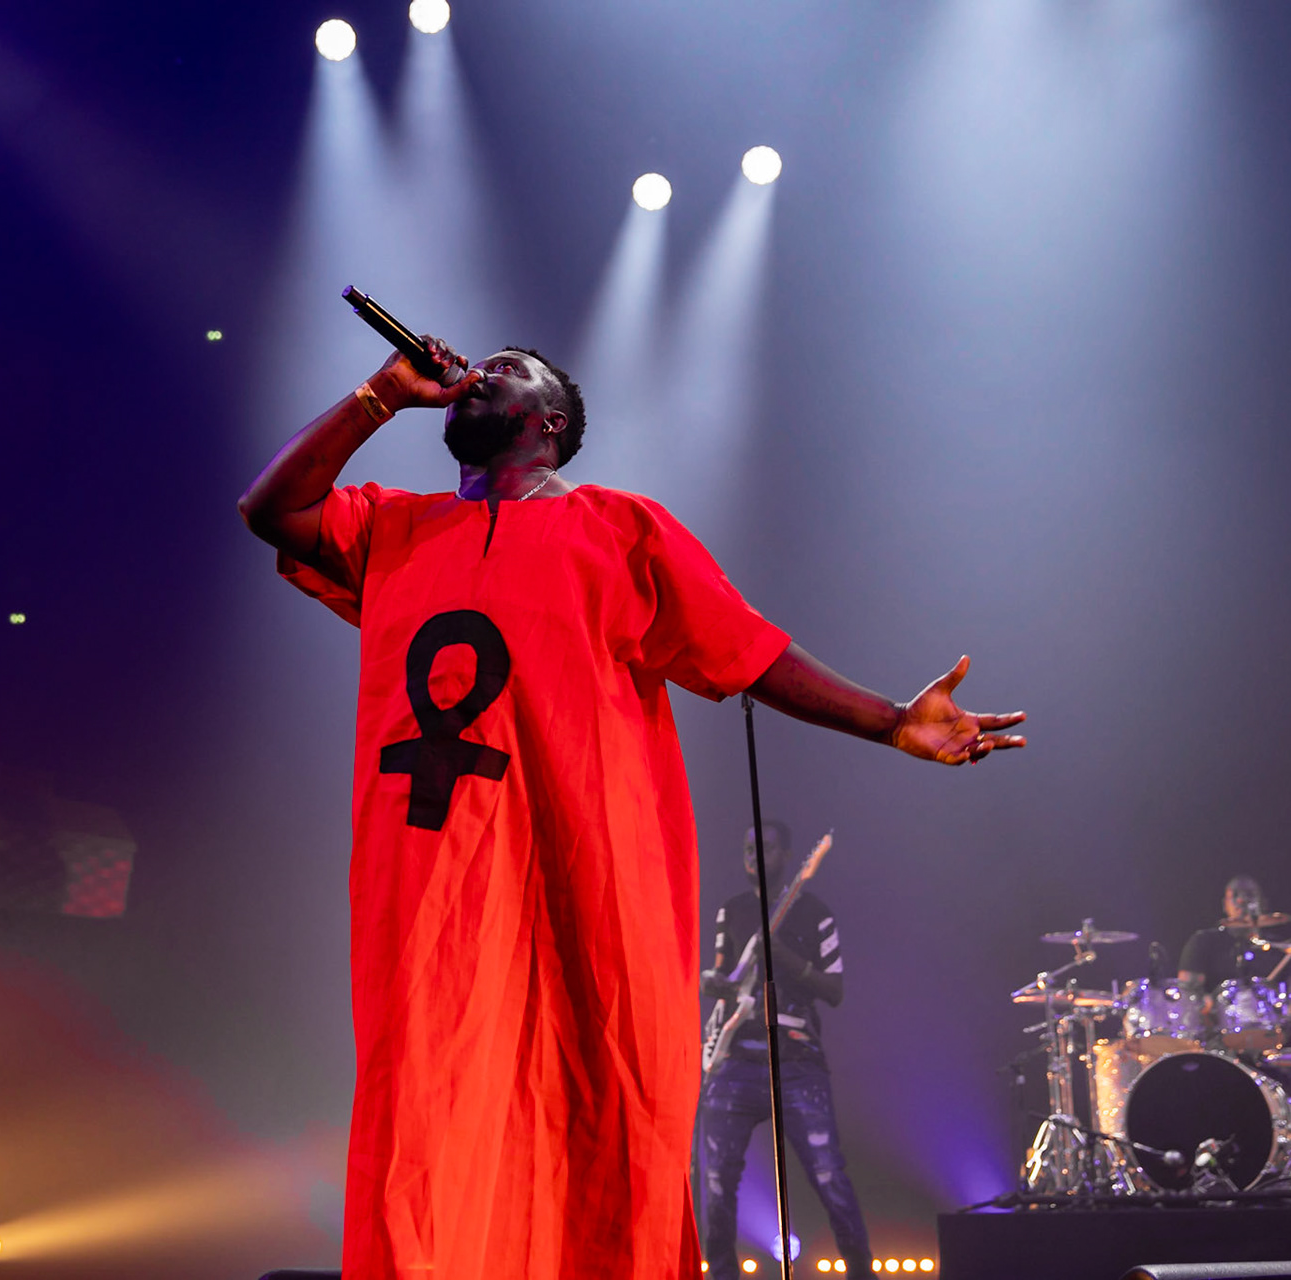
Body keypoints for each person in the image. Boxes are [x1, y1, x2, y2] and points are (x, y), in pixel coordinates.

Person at [237, 336, 1025, 1280]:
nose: (478, 373)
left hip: (588, 871)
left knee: (603, 1106)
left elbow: (753, 653)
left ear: (552, 424)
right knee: (426, 1123)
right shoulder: (392, 529)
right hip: (435, 892)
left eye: (508, 368)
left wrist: (891, 721)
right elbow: (272, 507)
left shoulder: (621, 530)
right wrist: (378, 395)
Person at [697, 822, 872, 1278]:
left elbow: (834, 990)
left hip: (796, 1063)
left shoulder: (815, 914)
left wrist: (788, 960)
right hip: (735, 1058)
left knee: (830, 1174)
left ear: (790, 855)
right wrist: (712, 983)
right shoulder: (731, 912)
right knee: (714, 1180)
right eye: (748, 849)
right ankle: (720, 1273)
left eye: (766, 848)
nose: (755, 856)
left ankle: (861, 1271)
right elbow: (723, 978)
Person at [1177, 875, 1276, 990]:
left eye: (1249, 895)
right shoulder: (1202, 942)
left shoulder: (1281, 948)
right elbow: (1188, 996)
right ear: (1225, 905)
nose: (1241, 900)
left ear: (1263, 904)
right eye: (1235, 895)